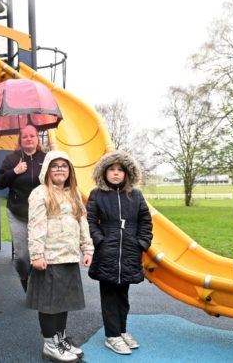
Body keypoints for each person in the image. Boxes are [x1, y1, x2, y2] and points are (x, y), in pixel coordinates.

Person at [27, 150, 94, 363]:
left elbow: (82, 221)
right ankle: (49, 344)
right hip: (49, 258)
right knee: (50, 304)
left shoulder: (73, 193)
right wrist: (37, 254)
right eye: (54, 165)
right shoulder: (40, 193)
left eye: (64, 165)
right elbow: (35, 224)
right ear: (47, 169)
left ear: (70, 171)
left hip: (69, 256)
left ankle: (60, 338)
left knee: (64, 302)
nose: (59, 169)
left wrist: (88, 248)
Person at [86, 150, 153, 354]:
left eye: (120, 170)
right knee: (109, 295)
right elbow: (89, 221)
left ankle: (122, 331)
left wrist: (141, 243)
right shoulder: (97, 194)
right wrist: (100, 241)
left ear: (126, 173)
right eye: (111, 169)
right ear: (104, 173)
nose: (116, 173)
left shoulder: (135, 195)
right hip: (107, 252)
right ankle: (112, 336)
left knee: (123, 295)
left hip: (130, 252)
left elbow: (146, 222)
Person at [0, 124, 46, 292]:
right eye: (25, 137)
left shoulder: (46, 159)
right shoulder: (12, 159)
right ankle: (25, 278)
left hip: (42, 214)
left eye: (32, 136)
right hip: (18, 212)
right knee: (23, 256)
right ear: (20, 141)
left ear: (38, 139)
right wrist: (14, 172)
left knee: (43, 253)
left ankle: (41, 289)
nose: (29, 139)